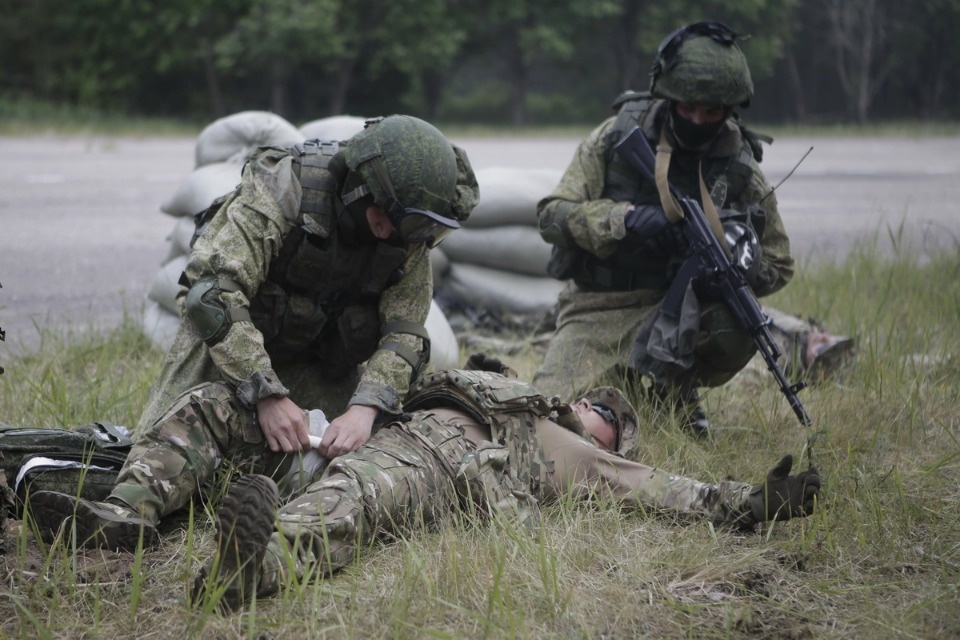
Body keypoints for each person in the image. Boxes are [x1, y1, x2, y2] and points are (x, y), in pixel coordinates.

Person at [29, 354, 820, 612]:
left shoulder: (559, 447)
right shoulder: (498, 382)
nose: (591, 409)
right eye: (591, 400)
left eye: (605, 416)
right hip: (368, 429)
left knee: (355, 504)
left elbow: (657, 487)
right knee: (210, 409)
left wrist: (749, 503)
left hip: (431, 460)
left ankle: (249, 568)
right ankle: (124, 510)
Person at [138, 114, 479, 460]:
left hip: (319, 364)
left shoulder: (408, 232)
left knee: (341, 468)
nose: (395, 232)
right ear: (365, 187)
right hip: (229, 351)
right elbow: (213, 295)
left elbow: (404, 333)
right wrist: (266, 395)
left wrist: (366, 408)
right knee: (160, 454)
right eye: (395, 217)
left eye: (417, 225)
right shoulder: (285, 187)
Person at [533, 21, 795, 438]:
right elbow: (552, 214)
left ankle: (673, 392)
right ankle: (640, 390)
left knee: (738, 324)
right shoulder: (619, 134)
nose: (696, 119)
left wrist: (734, 255)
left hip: (679, 313)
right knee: (546, 420)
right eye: (686, 106)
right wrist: (627, 220)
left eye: (711, 112)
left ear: (729, 109)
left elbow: (780, 263)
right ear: (667, 97)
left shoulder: (738, 165)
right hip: (598, 309)